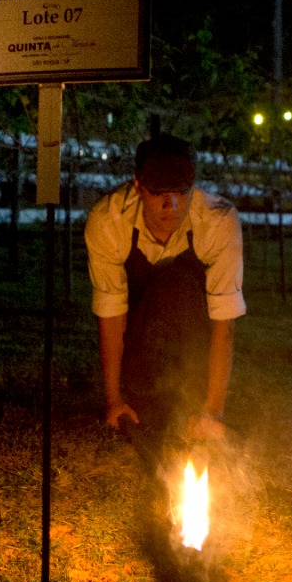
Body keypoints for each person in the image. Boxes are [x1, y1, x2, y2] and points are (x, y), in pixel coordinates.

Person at [84, 133, 245, 444]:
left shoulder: (218, 221)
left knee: (178, 287)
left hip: (193, 331)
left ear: (192, 187)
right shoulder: (108, 221)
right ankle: (142, 394)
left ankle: (194, 399)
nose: (170, 205)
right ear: (138, 186)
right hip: (139, 333)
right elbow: (110, 316)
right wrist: (114, 400)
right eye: (158, 193)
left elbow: (225, 322)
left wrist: (213, 411)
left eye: (180, 193)